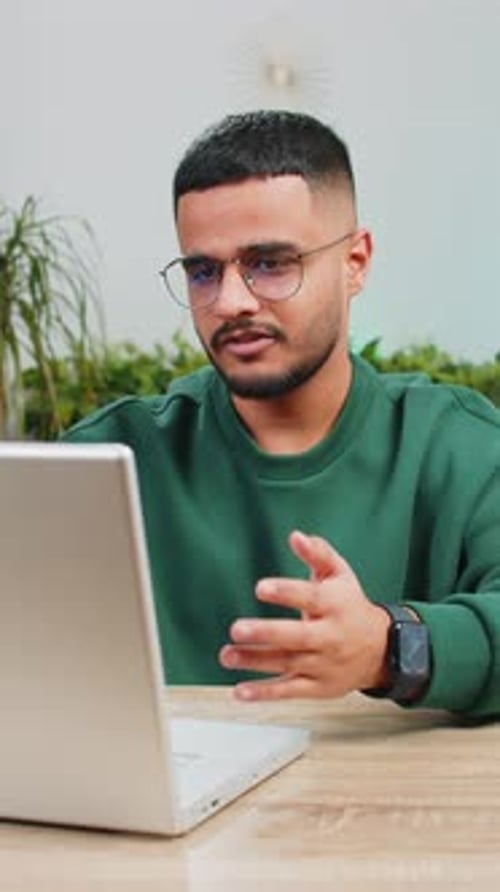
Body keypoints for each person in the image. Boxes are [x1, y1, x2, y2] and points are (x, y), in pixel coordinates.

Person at [63, 110, 500, 718]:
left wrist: (388, 646)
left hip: (404, 806)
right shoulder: (106, 458)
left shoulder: (460, 446)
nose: (231, 301)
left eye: (270, 263)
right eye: (203, 271)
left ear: (355, 263)